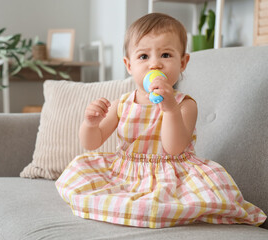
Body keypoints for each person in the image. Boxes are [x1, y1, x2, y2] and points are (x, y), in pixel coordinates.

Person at [55, 13, 267, 228]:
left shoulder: (185, 104)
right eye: (144, 57)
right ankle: (126, 205)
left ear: (183, 62)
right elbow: (91, 143)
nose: (154, 64)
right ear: (129, 65)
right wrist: (90, 123)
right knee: (78, 173)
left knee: (156, 206)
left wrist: (169, 109)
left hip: (171, 177)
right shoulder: (122, 103)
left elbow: (173, 148)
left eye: (166, 55)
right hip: (126, 173)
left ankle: (146, 210)